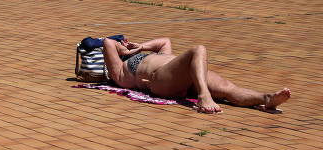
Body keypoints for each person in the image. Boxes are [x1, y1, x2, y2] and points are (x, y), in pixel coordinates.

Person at [102, 37, 290, 114]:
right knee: (198, 50)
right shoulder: (121, 71)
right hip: (159, 80)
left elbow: (165, 41)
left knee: (227, 88)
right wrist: (123, 49)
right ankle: (203, 95)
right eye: (123, 43)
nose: (126, 43)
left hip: (185, 74)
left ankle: (266, 98)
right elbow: (107, 42)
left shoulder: (152, 52)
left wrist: (141, 46)